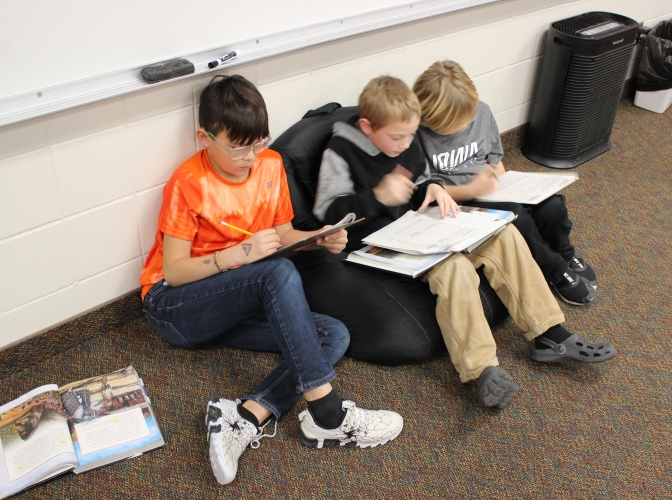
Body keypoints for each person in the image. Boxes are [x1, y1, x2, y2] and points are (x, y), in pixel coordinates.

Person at [139, 75, 403, 486]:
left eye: (258, 143)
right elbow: (173, 271)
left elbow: (282, 236)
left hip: (235, 298)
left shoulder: (270, 164)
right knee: (278, 273)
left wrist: (319, 238)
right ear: (204, 137)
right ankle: (327, 413)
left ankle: (246, 415)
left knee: (333, 334)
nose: (250, 156)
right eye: (238, 147)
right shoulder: (189, 182)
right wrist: (236, 255)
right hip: (174, 306)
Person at [313, 75, 617, 411]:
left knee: (503, 234)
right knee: (453, 266)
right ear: (367, 127)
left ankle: (549, 333)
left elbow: (421, 176)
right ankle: (482, 369)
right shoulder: (340, 151)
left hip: (418, 227)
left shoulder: (405, 139)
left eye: (411, 136)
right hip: (376, 244)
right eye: (397, 138)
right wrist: (376, 197)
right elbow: (327, 212)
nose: (405, 144)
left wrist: (432, 187)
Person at [412, 60, 598, 306]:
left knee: (552, 206)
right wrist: (473, 189)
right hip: (460, 201)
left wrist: (499, 179)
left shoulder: (482, 111)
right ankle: (555, 269)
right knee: (516, 215)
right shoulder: (417, 135)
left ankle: (565, 253)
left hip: (491, 188)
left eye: (468, 120)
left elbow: (496, 161)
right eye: (456, 125)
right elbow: (428, 191)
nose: (465, 127)